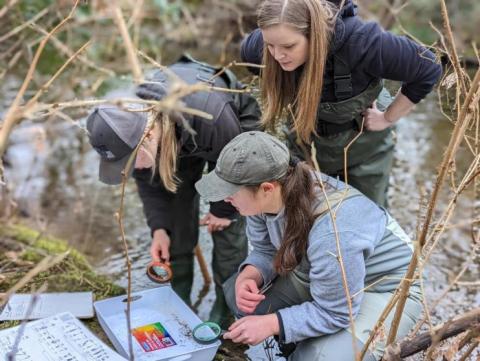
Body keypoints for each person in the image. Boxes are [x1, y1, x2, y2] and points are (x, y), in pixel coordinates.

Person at [195, 131, 422, 360]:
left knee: (319, 356)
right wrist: (249, 276)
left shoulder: (333, 232)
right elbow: (267, 250)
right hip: (330, 275)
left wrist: (272, 324)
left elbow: (337, 312)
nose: (225, 199)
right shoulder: (266, 199)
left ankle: (314, 346)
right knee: (240, 298)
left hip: (385, 287)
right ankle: (300, 340)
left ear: (267, 188)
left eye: (231, 192)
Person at [86, 54, 261, 328]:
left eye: (129, 162)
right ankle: (178, 296)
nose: (128, 169)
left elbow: (234, 168)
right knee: (176, 221)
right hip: (176, 138)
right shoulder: (131, 132)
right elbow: (149, 185)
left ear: (147, 137)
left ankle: (226, 305)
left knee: (227, 227)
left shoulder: (210, 114)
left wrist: (222, 211)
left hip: (229, 134)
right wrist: (159, 229)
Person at [240, 0, 442, 207]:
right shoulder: (259, 47)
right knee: (304, 213)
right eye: (270, 46)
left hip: (363, 150)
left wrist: (387, 118)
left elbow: (428, 68)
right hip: (304, 144)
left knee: (366, 220)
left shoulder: (363, 42)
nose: (278, 55)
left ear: (315, 33)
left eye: (289, 46)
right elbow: (249, 59)